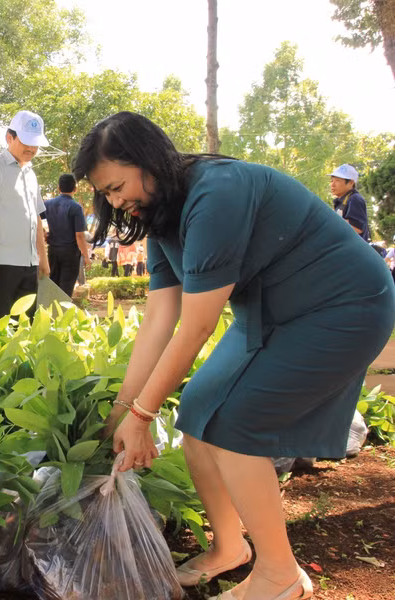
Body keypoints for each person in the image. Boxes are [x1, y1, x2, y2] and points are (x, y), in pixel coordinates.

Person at [77, 112, 394, 600]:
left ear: (147, 160)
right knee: (198, 412)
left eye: (117, 187)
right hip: (271, 311)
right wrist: (121, 412)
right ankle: (229, 547)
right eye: (107, 194)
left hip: (341, 306)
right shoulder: (160, 212)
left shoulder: (216, 193)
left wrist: (142, 416)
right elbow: (161, 317)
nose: (116, 202)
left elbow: (197, 326)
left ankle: (280, 575)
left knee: (234, 425)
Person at [0, 110, 50, 318]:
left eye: (35, 143)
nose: (31, 148)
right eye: (26, 142)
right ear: (9, 137)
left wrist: (42, 258)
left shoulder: (31, 174)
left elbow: (36, 217)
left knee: (26, 327)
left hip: (28, 264)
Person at [42, 173, 91, 296]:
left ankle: (51, 308)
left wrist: (43, 232)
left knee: (53, 284)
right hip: (70, 252)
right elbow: (79, 235)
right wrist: (86, 256)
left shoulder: (47, 204)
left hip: (53, 250)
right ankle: (62, 308)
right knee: (66, 287)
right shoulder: (76, 207)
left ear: (59, 188)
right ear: (75, 189)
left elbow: (34, 218)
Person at [329, 164, 369, 242]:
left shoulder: (355, 199)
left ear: (351, 183)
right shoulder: (340, 201)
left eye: (337, 181)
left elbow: (357, 228)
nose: (332, 184)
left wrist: (331, 221)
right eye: (332, 181)